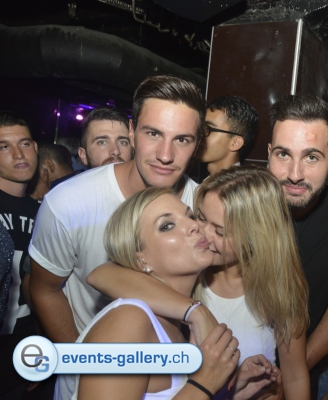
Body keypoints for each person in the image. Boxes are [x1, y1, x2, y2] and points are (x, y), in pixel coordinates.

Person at [88, 166, 310, 400]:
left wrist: (229, 391)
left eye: (220, 232)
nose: (200, 230)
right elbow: (101, 274)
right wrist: (196, 311)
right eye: (200, 217)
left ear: (257, 238)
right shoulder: (133, 317)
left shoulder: (276, 286)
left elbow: (295, 375)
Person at [29, 75, 205, 344]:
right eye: (153, 133)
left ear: (197, 144)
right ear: (131, 131)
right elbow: (45, 289)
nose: (165, 155)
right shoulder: (69, 202)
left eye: (182, 139)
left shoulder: (203, 205)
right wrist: (79, 360)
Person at [57, 187, 276, 400]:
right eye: (167, 226)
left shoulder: (178, 328)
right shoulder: (128, 321)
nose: (194, 225)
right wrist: (204, 384)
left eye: (190, 216)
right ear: (141, 259)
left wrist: (226, 393)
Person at [267, 94, 328, 398]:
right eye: (283, 154)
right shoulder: (238, 207)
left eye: (311, 157)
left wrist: (292, 373)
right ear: (269, 154)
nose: (294, 174)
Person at [0, 111, 40, 398]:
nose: (18, 154)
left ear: (35, 148)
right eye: (4, 146)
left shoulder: (49, 211)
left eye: (24, 144)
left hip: (22, 358)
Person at [199, 95, 258, 176]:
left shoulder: (239, 184)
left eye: (208, 129)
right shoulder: (207, 181)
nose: (200, 135)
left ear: (235, 143)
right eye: (200, 127)